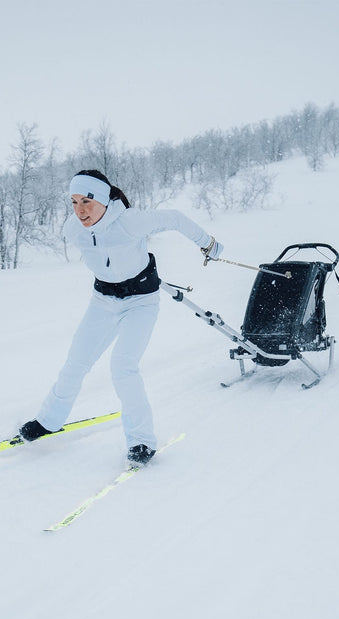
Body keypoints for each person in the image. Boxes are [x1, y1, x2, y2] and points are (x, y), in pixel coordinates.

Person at [19, 169, 223, 464]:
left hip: (140, 303)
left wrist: (209, 244)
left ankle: (141, 441)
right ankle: (49, 421)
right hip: (102, 301)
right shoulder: (73, 228)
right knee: (75, 363)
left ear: (103, 199)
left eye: (87, 201)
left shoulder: (129, 222)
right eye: (74, 202)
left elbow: (176, 218)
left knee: (123, 367)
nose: (80, 210)